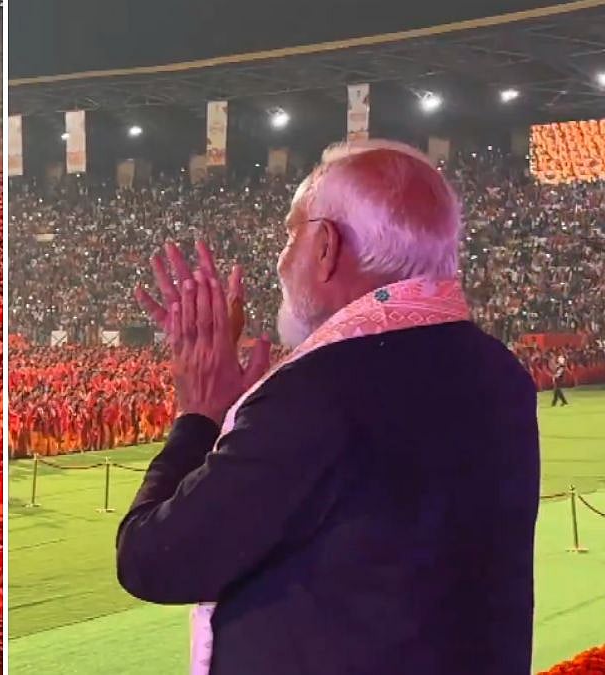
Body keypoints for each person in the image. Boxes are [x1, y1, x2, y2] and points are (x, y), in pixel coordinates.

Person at [117, 140, 540, 675]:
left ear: (326, 246)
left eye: (291, 232)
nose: (280, 257)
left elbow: (153, 560)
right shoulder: (499, 372)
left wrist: (199, 416)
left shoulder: (317, 393)